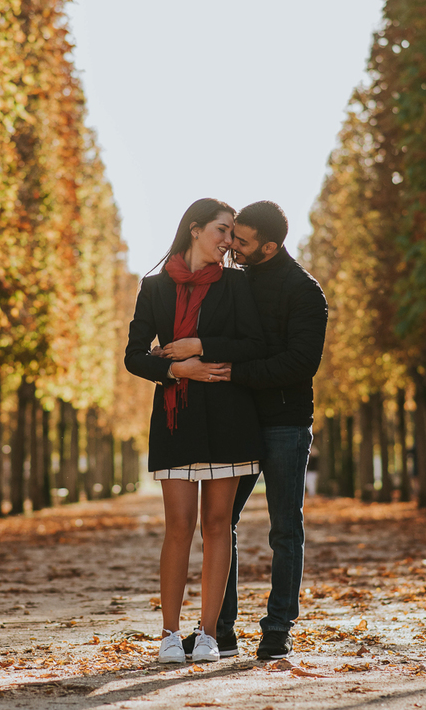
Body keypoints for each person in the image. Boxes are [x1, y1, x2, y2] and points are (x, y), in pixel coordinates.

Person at [171, 200, 327, 661]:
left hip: (284, 423)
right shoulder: (230, 280)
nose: (231, 245)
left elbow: (300, 364)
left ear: (270, 246)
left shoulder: (304, 291)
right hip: (235, 417)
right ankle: (220, 630)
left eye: (241, 240)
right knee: (222, 523)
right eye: (230, 235)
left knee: (285, 527)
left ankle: (278, 626)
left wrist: (234, 371)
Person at [124, 198, 266, 664]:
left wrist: (201, 347)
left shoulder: (237, 285)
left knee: (218, 524)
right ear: (194, 229)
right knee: (179, 527)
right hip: (175, 419)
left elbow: (253, 343)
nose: (229, 242)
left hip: (229, 419)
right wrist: (181, 371)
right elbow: (134, 355)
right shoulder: (154, 288)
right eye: (222, 231)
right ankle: (169, 634)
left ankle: (208, 636)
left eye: (231, 234)